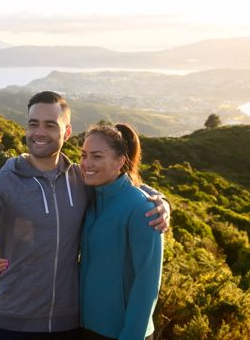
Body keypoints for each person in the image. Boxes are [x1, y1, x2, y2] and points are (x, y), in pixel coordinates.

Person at [0, 91, 170, 339]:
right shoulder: (0, 183)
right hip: (11, 324)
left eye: (50, 125)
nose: (39, 132)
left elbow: (122, 188)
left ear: (66, 132)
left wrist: (162, 202)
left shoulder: (80, 179)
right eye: (33, 124)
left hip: (68, 325)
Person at [78, 123, 163, 340]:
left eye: (96, 156)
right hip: (84, 325)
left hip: (122, 332)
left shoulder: (143, 209)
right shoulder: (88, 198)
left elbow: (147, 283)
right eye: (84, 155)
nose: (87, 163)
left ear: (120, 161)